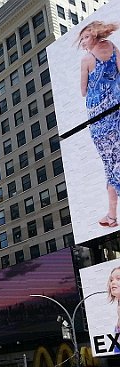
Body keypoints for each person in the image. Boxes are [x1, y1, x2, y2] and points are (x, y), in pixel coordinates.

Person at [79, 20, 120, 228]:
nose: (84, 41)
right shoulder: (113, 49)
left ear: (94, 35)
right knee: (114, 165)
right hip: (118, 109)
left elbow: (83, 90)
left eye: (86, 37)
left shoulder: (87, 59)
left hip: (100, 119)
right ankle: (111, 216)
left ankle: (112, 216)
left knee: (111, 167)